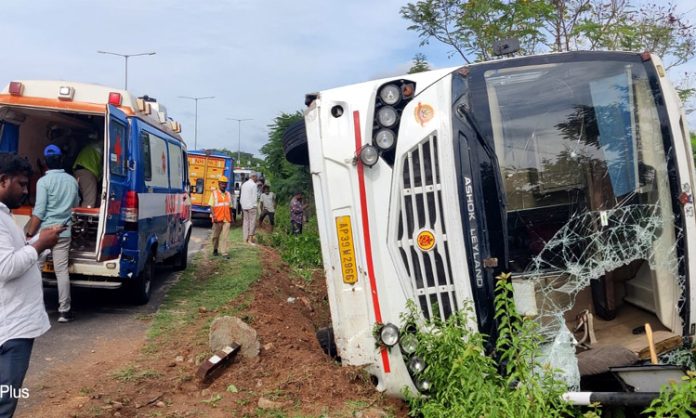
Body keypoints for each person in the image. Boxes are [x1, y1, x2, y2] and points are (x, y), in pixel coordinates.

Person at [0, 153, 64, 418]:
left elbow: (14, 255)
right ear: (3, 180)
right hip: (11, 327)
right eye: (22, 184)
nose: (26, 191)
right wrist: (39, 245)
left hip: (13, 324)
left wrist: (41, 244)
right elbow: (6, 268)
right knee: (6, 398)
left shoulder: (5, 217)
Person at [25, 145, 80, 323]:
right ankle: (64, 311)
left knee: (35, 269)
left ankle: (33, 310)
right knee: (61, 271)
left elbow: (39, 211)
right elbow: (76, 203)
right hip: (63, 232)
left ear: (45, 163)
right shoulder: (72, 180)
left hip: (45, 233)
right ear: (61, 159)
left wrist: (29, 233)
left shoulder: (43, 182)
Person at [72, 140, 103, 208]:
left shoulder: (91, 147)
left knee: (82, 197)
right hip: (87, 171)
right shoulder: (104, 148)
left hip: (78, 170)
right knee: (89, 201)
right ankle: (84, 218)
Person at [209, 175, 233, 257]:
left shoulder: (228, 194)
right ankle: (215, 249)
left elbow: (230, 207)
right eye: (222, 183)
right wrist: (214, 216)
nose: (224, 185)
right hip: (217, 219)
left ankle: (224, 253)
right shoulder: (214, 193)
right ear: (219, 184)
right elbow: (211, 206)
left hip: (226, 219)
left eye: (225, 184)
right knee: (215, 236)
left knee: (225, 237)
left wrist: (231, 218)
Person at [240, 172, 259, 244]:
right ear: (253, 177)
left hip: (244, 206)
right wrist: (255, 206)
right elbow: (254, 197)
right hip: (251, 206)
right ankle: (250, 240)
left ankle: (245, 239)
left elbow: (242, 196)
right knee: (252, 222)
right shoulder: (254, 185)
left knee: (245, 222)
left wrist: (242, 204)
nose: (257, 178)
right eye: (256, 177)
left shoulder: (244, 184)